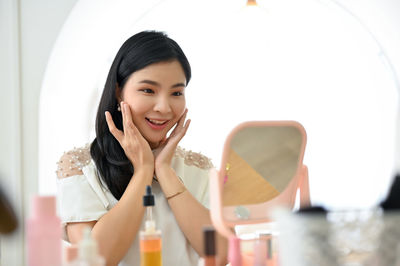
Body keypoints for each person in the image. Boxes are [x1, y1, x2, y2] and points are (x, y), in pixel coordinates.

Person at [56, 30, 227, 266]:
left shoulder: (197, 168)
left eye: (176, 92)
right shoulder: (80, 167)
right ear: (118, 91)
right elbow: (97, 259)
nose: (164, 107)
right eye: (148, 90)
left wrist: (165, 171)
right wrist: (144, 171)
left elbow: (221, 254)